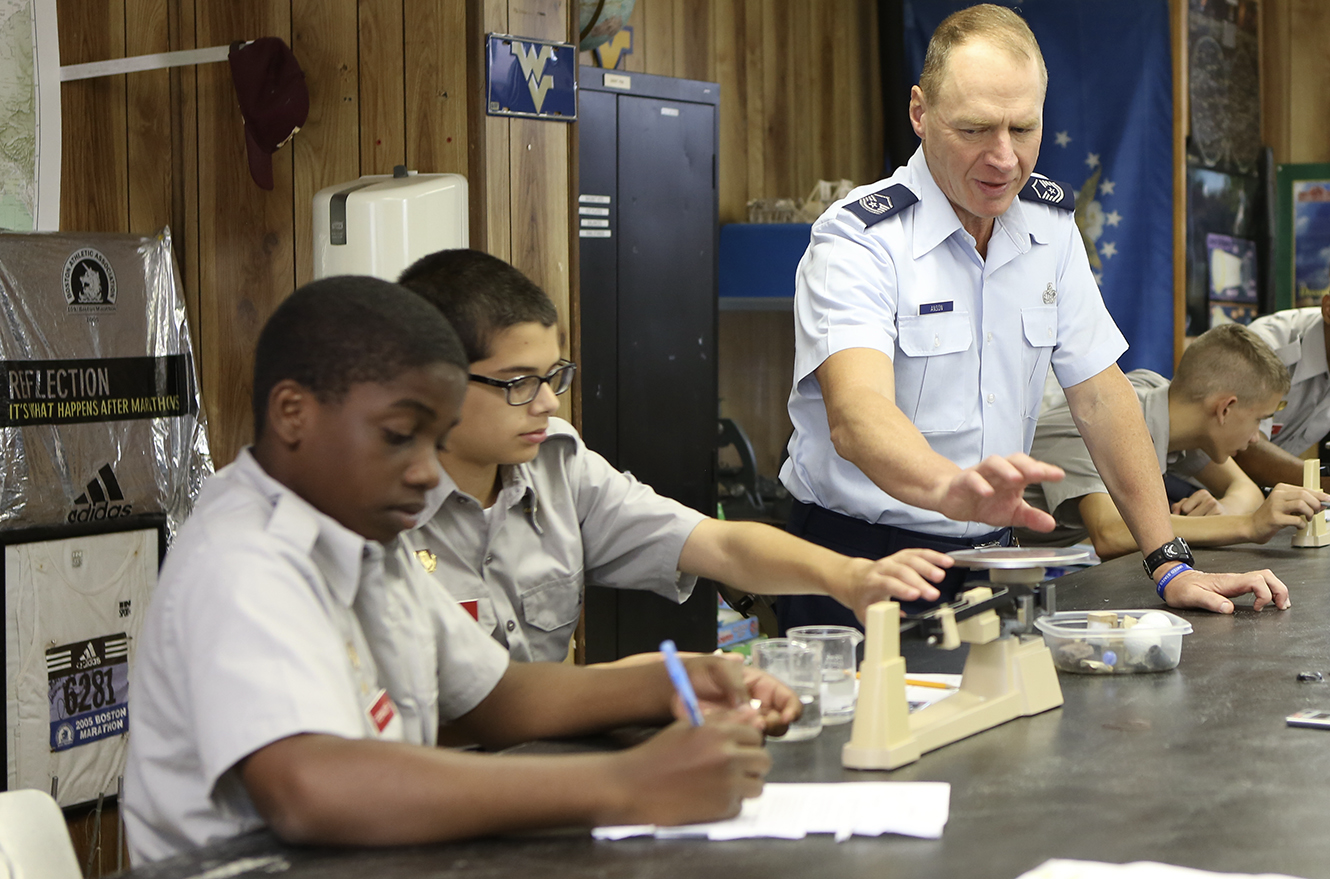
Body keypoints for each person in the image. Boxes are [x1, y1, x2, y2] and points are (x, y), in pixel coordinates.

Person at [123, 277, 787, 863]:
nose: (425, 470)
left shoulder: (364, 531)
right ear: (293, 413)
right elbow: (309, 788)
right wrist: (629, 784)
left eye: (435, 441)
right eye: (397, 435)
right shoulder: (244, 559)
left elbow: (493, 696)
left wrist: (675, 682)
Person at [778, 3, 1288, 629]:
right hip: (857, 557)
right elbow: (858, 418)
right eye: (973, 130)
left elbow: (1101, 395)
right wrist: (952, 488)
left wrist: (1171, 563)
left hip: (989, 560)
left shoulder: (1047, 227)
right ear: (919, 113)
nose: (1003, 159)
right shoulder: (860, 239)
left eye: (1022, 129)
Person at [395, 249, 953, 664]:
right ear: (431, 381)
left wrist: (849, 576)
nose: (545, 402)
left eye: (554, 375)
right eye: (517, 382)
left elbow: (718, 544)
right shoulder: (372, 510)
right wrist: (643, 686)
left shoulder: (557, 465)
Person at [1016, 324, 1326, 566]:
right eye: (1259, 419)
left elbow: (1246, 490)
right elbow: (1110, 533)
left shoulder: (1167, 402)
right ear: (1224, 409)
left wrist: (1223, 511)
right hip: (979, 563)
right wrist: (1247, 525)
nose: (1256, 438)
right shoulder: (1097, 422)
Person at [1233, 299, 1330, 488]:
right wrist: (1321, 484)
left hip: (1252, 492)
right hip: (1184, 488)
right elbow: (1243, 447)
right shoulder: (1265, 345)